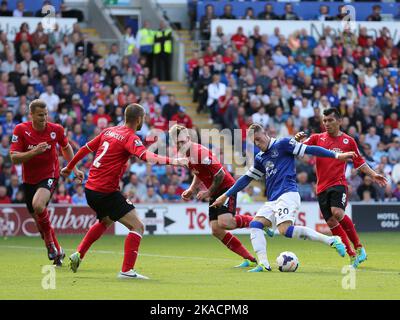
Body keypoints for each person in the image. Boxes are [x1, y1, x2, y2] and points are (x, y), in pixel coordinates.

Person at [61, 103, 187, 279]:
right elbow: (147, 157)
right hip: (105, 191)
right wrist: (173, 161)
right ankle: (127, 271)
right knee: (138, 226)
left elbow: (85, 149)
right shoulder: (130, 137)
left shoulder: (109, 131)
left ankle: (79, 254)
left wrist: (69, 167)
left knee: (105, 221)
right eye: (143, 118)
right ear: (139, 119)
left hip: (91, 189)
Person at [211, 123, 356, 272]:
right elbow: (246, 178)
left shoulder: (283, 143)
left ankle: (331, 240)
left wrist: (337, 155)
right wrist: (225, 195)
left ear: (266, 133)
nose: (258, 144)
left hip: (288, 194)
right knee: (255, 224)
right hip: (273, 199)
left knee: (284, 230)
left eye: (259, 139)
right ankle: (264, 264)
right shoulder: (260, 157)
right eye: (254, 142)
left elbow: (311, 149)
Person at [294, 108, 387, 267]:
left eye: (330, 120)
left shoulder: (348, 141)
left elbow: (360, 163)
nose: (327, 124)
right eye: (324, 121)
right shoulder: (317, 138)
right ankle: (352, 255)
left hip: (338, 183)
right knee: (330, 222)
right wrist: (295, 140)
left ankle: (359, 247)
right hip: (321, 187)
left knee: (337, 212)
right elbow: (297, 150)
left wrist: (373, 175)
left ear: (339, 121)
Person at [169, 124, 257, 268]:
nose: (181, 145)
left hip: (226, 187)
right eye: (177, 143)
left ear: (189, 139)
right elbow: (198, 173)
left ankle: (257, 221)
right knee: (216, 230)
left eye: (183, 142)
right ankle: (247, 258)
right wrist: (192, 189)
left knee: (225, 223)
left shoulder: (199, 152)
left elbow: (220, 174)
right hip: (214, 190)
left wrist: (208, 192)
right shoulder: (187, 155)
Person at [9, 99, 84, 266]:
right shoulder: (21, 130)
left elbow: (66, 147)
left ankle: (50, 245)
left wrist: (74, 168)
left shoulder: (56, 129)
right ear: (31, 115)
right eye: (40, 115)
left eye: (46, 114)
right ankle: (58, 252)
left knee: (38, 204)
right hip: (29, 180)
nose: (44, 118)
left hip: (50, 175)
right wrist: (35, 151)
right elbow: (14, 158)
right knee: (42, 228)